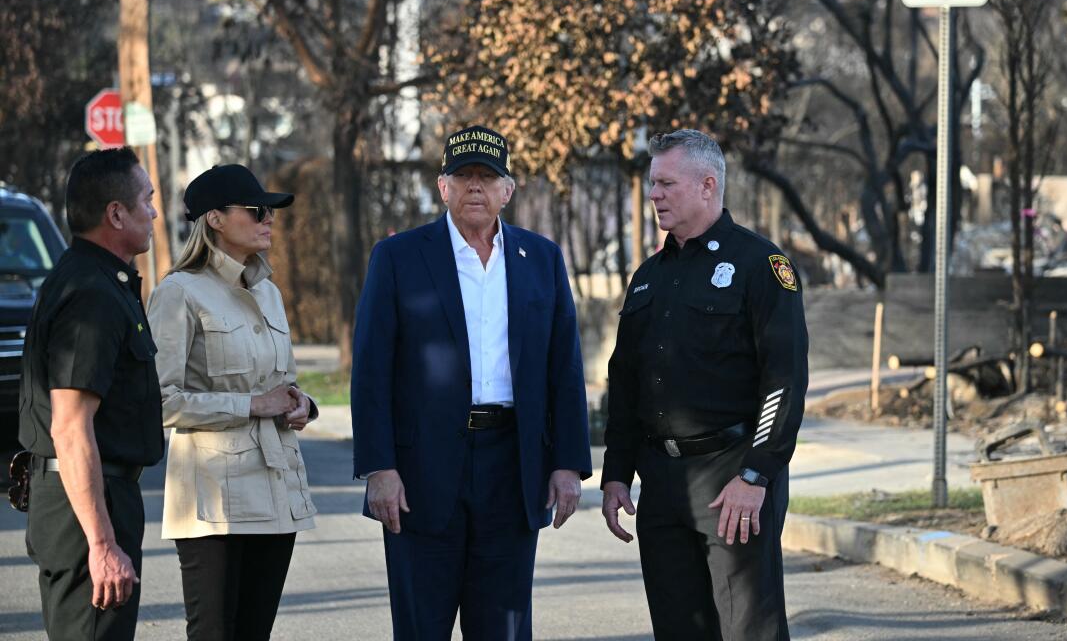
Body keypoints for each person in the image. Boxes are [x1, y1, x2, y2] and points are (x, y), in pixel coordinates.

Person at [351, 124, 592, 640]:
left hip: (513, 465)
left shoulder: (541, 259)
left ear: (508, 189)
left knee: (504, 629)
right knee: (421, 628)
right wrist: (378, 467)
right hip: (420, 474)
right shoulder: (398, 258)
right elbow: (371, 370)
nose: (475, 188)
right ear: (443, 187)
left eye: (488, 177)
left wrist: (569, 462)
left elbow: (564, 368)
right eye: (464, 177)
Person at [601, 129, 809, 641]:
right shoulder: (648, 276)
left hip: (731, 476)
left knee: (747, 630)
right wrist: (616, 474)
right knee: (678, 629)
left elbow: (784, 379)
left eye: (666, 183)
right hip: (663, 481)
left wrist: (756, 475)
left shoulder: (760, 265)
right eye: (653, 184)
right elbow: (626, 381)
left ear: (707, 185)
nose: (654, 195)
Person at [146, 164, 318, 641]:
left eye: (271, 211)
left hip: (277, 490)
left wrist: (301, 403)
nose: (269, 219)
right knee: (214, 634)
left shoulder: (269, 291)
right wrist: (250, 405)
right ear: (215, 219)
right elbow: (159, 401)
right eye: (257, 210)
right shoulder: (178, 292)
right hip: (212, 503)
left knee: (254, 633)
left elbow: (282, 383)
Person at [18, 147, 165, 640]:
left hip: (96, 498)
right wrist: (101, 544)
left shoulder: (101, 281)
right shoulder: (92, 294)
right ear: (116, 213)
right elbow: (70, 425)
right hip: (86, 508)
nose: (154, 212)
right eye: (147, 200)